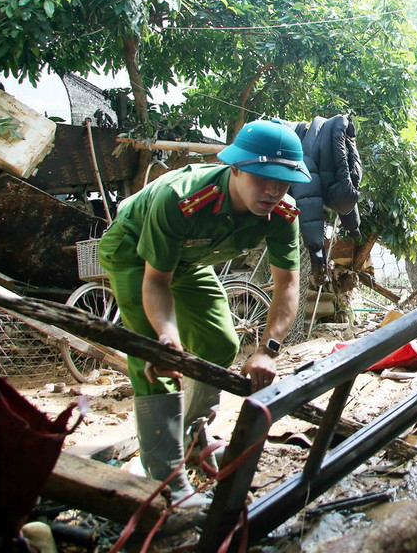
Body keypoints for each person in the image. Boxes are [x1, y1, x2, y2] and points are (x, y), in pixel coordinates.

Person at [97, 119, 311, 506]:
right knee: (157, 360)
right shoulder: (180, 200)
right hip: (133, 253)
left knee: (219, 342)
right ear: (236, 167)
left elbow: (288, 286)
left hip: (192, 262)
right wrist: (167, 334)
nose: (273, 191)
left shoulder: (283, 213)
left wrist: (268, 349)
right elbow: (156, 281)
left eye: (284, 181)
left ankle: (192, 433)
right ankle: (167, 480)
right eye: (263, 177)